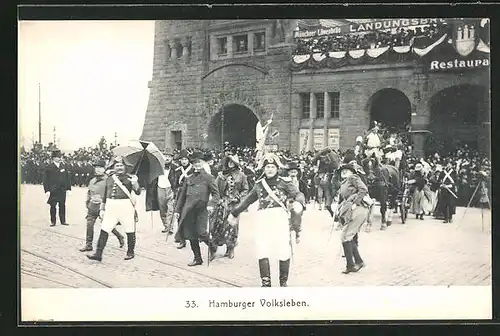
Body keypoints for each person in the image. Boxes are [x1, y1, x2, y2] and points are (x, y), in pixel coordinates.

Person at [227, 153, 306, 287]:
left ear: (277, 168)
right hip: (263, 219)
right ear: (264, 169)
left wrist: (299, 202)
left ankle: (283, 282)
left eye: (272, 167)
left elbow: (298, 194)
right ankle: (266, 282)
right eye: (267, 167)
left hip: (280, 218)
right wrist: (234, 212)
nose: (270, 169)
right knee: (262, 248)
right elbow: (247, 201)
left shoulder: (284, 182)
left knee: (283, 248)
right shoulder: (259, 184)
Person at [87, 156, 141, 261]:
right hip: (111, 206)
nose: (119, 167)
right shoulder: (110, 178)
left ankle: (130, 252)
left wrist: (135, 183)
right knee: (105, 229)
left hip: (125, 206)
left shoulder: (130, 178)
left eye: (121, 165)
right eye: (117, 165)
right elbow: (105, 195)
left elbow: (138, 192)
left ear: (125, 167)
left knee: (130, 229)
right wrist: (102, 209)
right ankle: (98, 254)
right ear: (114, 167)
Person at [173, 151, 221, 266]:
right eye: (194, 163)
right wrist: (177, 210)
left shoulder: (209, 177)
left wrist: (211, 204)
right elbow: (182, 196)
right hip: (189, 210)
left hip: (202, 209)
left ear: (203, 163)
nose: (197, 165)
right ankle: (197, 258)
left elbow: (216, 194)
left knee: (201, 232)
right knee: (191, 235)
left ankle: (212, 245)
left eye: (199, 162)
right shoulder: (188, 178)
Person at [79, 160, 125, 252]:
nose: (97, 170)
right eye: (96, 167)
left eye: (100, 167)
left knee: (107, 225)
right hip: (92, 206)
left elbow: (111, 193)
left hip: (103, 207)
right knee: (89, 225)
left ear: (104, 169)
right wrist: (87, 202)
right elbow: (89, 192)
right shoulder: (92, 180)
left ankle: (120, 237)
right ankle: (88, 244)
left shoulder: (108, 180)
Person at [211, 154, 249, 259]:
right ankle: (213, 248)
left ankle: (230, 248)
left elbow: (245, 190)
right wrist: (217, 200)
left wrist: (239, 198)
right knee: (217, 225)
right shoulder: (221, 175)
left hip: (234, 205)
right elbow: (215, 189)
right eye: (229, 162)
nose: (230, 164)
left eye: (232, 162)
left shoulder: (241, 176)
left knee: (232, 227)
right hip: (222, 204)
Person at [336, 161, 370, 274]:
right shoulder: (344, 182)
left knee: (345, 236)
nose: (344, 171)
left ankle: (351, 265)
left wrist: (356, 202)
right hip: (351, 210)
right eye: (342, 170)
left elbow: (363, 189)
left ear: (352, 172)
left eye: (347, 170)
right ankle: (358, 261)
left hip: (358, 209)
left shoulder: (353, 178)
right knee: (347, 236)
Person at [145, 151, 178, 234]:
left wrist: (176, 190)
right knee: (162, 209)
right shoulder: (157, 166)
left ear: (172, 158)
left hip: (170, 189)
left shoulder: (175, 168)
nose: (167, 158)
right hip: (160, 188)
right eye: (165, 156)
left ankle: (170, 227)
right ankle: (166, 225)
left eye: (169, 157)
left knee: (171, 209)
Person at [43, 150, 72, 226]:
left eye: (60, 157)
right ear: (53, 158)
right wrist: (47, 190)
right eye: (57, 157)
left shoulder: (63, 166)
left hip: (62, 190)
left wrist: (68, 188)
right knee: (53, 206)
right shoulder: (49, 167)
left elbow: (67, 178)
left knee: (62, 205)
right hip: (53, 190)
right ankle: (53, 221)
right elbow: (45, 180)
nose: (59, 158)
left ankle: (63, 221)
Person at [173, 149, 193, 249]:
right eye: (182, 159)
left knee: (190, 216)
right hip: (180, 195)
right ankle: (182, 239)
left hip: (190, 195)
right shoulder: (177, 171)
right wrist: (174, 196)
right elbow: (175, 184)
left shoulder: (193, 170)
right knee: (179, 216)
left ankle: (192, 236)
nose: (184, 161)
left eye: (185, 159)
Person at [285, 161, 308, 244]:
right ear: (288, 173)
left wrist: (304, 200)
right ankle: (288, 232)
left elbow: (305, 191)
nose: (293, 174)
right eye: (291, 172)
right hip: (287, 200)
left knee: (297, 215)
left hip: (298, 201)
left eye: (294, 172)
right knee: (287, 217)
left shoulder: (301, 182)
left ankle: (297, 232)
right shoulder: (284, 182)